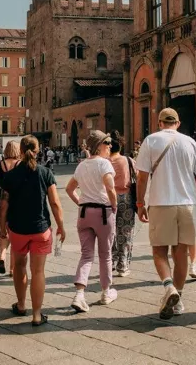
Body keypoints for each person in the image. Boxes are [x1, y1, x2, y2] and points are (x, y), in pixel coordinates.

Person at [136, 108, 196, 319]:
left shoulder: (150, 141)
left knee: (159, 251)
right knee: (181, 255)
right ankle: (178, 298)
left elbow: (142, 178)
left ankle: (169, 287)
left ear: (160, 123)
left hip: (161, 203)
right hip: (188, 204)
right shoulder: (190, 143)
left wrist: (139, 203)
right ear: (178, 123)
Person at [0, 136, 66, 326]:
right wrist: (61, 225)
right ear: (38, 151)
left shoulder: (10, 176)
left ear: (20, 150)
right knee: (38, 271)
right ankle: (37, 314)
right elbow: (54, 202)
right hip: (41, 229)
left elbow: (3, 205)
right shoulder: (45, 173)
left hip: (18, 229)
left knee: (20, 267)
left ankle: (21, 305)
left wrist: (3, 227)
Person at [65, 131, 118, 312]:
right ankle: (105, 292)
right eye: (107, 143)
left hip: (84, 213)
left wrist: (81, 202)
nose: (110, 146)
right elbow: (110, 188)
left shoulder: (81, 166)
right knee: (106, 254)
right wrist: (114, 205)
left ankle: (79, 295)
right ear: (99, 146)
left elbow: (69, 189)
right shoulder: (104, 164)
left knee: (86, 254)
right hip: (103, 212)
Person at [109, 131, 137, 277]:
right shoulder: (128, 160)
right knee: (125, 231)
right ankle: (123, 265)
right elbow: (138, 176)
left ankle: (110, 263)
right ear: (120, 146)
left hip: (108, 198)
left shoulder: (104, 162)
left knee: (110, 232)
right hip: (125, 198)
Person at [0, 140, 21, 275]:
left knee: (3, 230)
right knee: (15, 233)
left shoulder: (0, 165)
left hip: (2, 200)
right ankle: (12, 269)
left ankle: (2, 255)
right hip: (17, 201)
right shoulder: (20, 164)